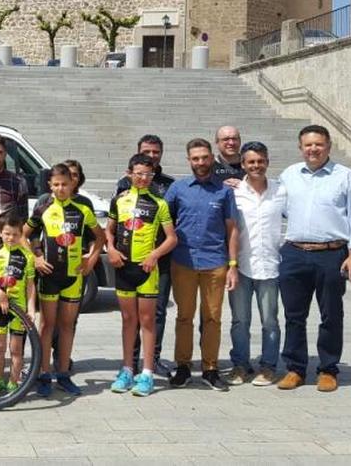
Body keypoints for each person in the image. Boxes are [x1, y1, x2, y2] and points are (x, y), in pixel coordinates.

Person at [276, 125, 351, 393]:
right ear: (300, 147)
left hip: (332, 253)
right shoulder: (289, 175)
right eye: (308, 145)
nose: (313, 149)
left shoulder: (345, 176)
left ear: (329, 146)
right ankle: (295, 369)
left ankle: (328, 369)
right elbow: (276, 208)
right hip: (294, 253)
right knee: (294, 315)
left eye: (319, 144)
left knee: (331, 314)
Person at [164, 138, 239, 391]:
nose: (200, 162)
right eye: (195, 158)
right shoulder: (178, 188)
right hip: (183, 262)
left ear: (211, 158)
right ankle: (183, 366)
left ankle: (210, 368)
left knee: (213, 318)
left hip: (215, 263)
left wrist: (232, 264)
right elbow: (165, 222)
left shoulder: (224, 190)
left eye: (204, 157)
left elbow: (232, 229)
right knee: (184, 317)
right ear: (189, 160)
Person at [25, 164, 104, 397]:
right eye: (56, 184)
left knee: (67, 326)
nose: (60, 188)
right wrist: (35, 258)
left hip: (73, 277)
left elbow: (99, 238)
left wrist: (90, 261)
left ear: (73, 185)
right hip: (49, 276)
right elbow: (22, 235)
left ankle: (63, 374)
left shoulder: (83, 210)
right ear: (49, 185)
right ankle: (43, 373)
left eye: (65, 184)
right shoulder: (42, 208)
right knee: (47, 325)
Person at [106, 154, 178, 398]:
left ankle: (146, 372)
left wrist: (154, 255)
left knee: (147, 321)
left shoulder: (160, 204)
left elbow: (172, 238)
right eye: (138, 173)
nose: (142, 178)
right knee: (128, 320)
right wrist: (111, 249)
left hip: (147, 270)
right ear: (129, 173)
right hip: (124, 268)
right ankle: (127, 369)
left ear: (153, 176)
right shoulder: (119, 200)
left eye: (147, 174)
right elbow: (109, 230)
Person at [227, 141, 286, 386]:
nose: (256, 166)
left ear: (268, 162)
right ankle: (240, 365)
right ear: (242, 164)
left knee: (270, 320)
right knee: (240, 320)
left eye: (261, 161)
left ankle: (268, 367)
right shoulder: (234, 191)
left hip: (271, 265)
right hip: (240, 266)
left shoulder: (281, 191)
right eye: (251, 162)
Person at [0, 216, 37, 394]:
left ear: (21, 235)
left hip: (18, 310)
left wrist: (31, 309)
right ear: (0, 233)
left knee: (16, 350)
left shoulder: (28, 256)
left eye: (15, 234)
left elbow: (30, 285)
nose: (11, 238)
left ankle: (13, 384)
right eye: (7, 234)